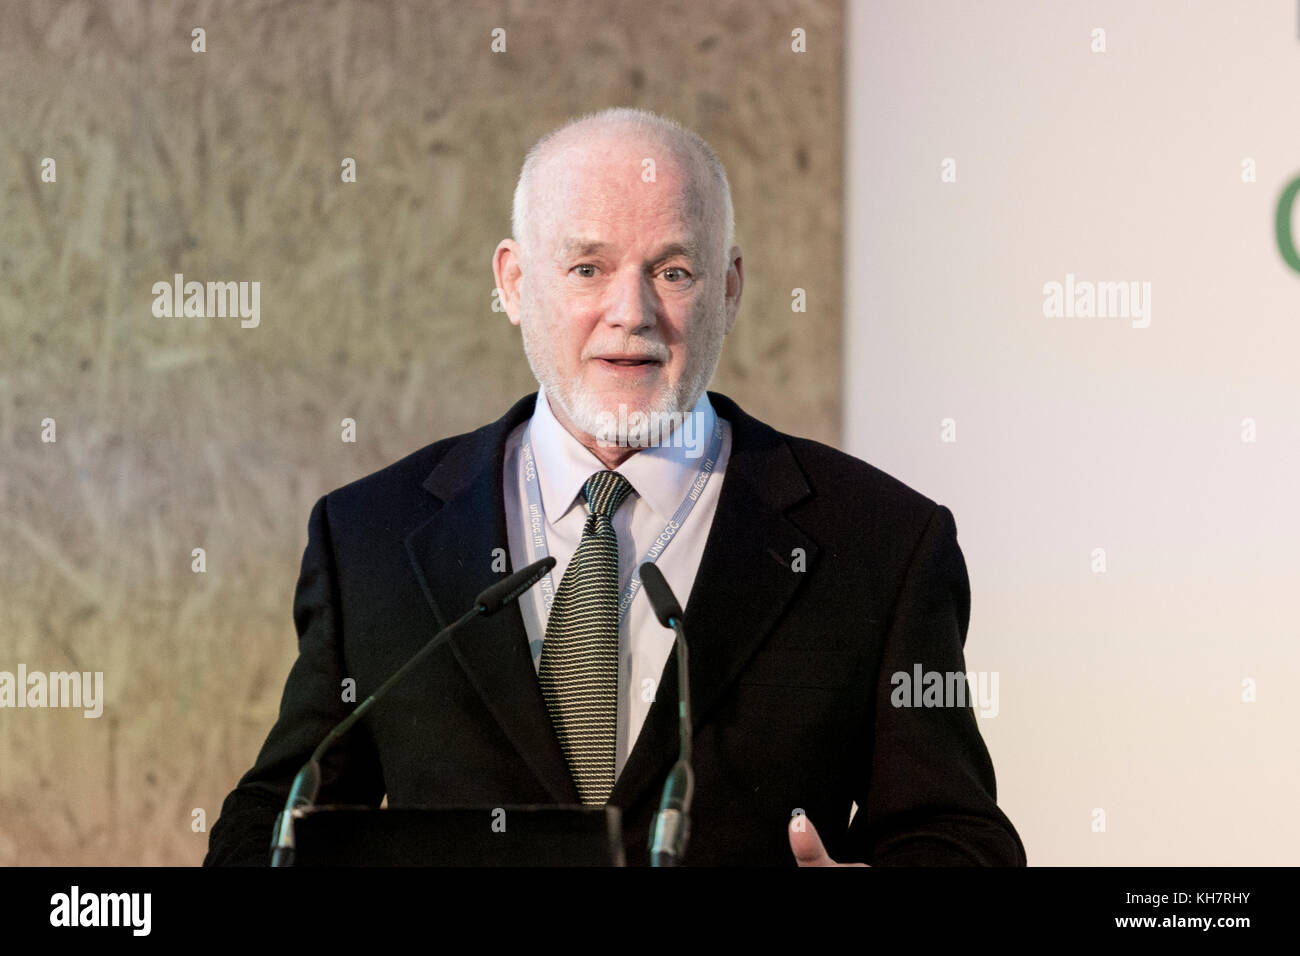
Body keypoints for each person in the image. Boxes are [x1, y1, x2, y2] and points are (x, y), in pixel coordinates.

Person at [205, 107, 1025, 867]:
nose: (630, 312)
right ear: (515, 283)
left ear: (730, 287)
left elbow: (958, 837)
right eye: (587, 267)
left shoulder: (880, 543)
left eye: (673, 271)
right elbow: (273, 821)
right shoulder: (372, 539)